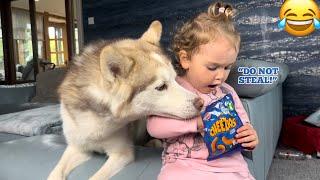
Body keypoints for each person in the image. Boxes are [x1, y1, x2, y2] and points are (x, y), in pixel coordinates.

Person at [147, 2, 259, 180]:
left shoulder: (227, 92)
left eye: (227, 67)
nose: (220, 76)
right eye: (213, 67)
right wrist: (195, 124)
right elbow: (154, 128)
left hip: (228, 166)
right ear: (185, 59)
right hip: (183, 165)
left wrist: (249, 138)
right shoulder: (174, 89)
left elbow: (243, 126)